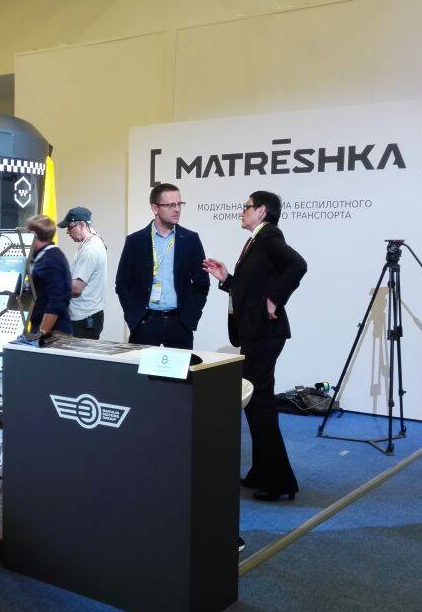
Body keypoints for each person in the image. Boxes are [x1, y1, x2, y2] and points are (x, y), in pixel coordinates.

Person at [202, 191, 307, 502]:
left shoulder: (269, 236)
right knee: (258, 403)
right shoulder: (256, 241)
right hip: (256, 333)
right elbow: (250, 289)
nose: (242, 211)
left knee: (260, 404)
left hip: (265, 333)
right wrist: (226, 278)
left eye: (247, 206)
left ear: (262, 211)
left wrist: (276, 298)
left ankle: (279, 481)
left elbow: (298, 265)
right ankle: (262, 472)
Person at [115, 182, 209, 348]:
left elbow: (202, 282)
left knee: (179, 366)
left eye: (179, 204)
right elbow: (123, 283)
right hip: (145, 323)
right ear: (155, 208)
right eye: (170, 205)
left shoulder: (190, 239)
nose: (177, 209)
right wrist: (134, 316)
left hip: (179, 324)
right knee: (141, 366)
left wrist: (191, 316)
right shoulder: (135, 241)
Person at [59, 206, 106, 339]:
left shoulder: (90, 249)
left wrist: (54, 283)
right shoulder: (92, 240)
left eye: (70, 227)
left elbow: (76, 288)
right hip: (86, 316)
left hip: (85, 319)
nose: (67, 232)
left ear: (82, 225)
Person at [25, 214, 73, 337]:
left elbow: (57, 300)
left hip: (53, 333)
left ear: (34, 235)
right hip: (41, 327)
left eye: (27, 233)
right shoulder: (42, 257)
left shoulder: (51, 259)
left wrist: (41, 334)